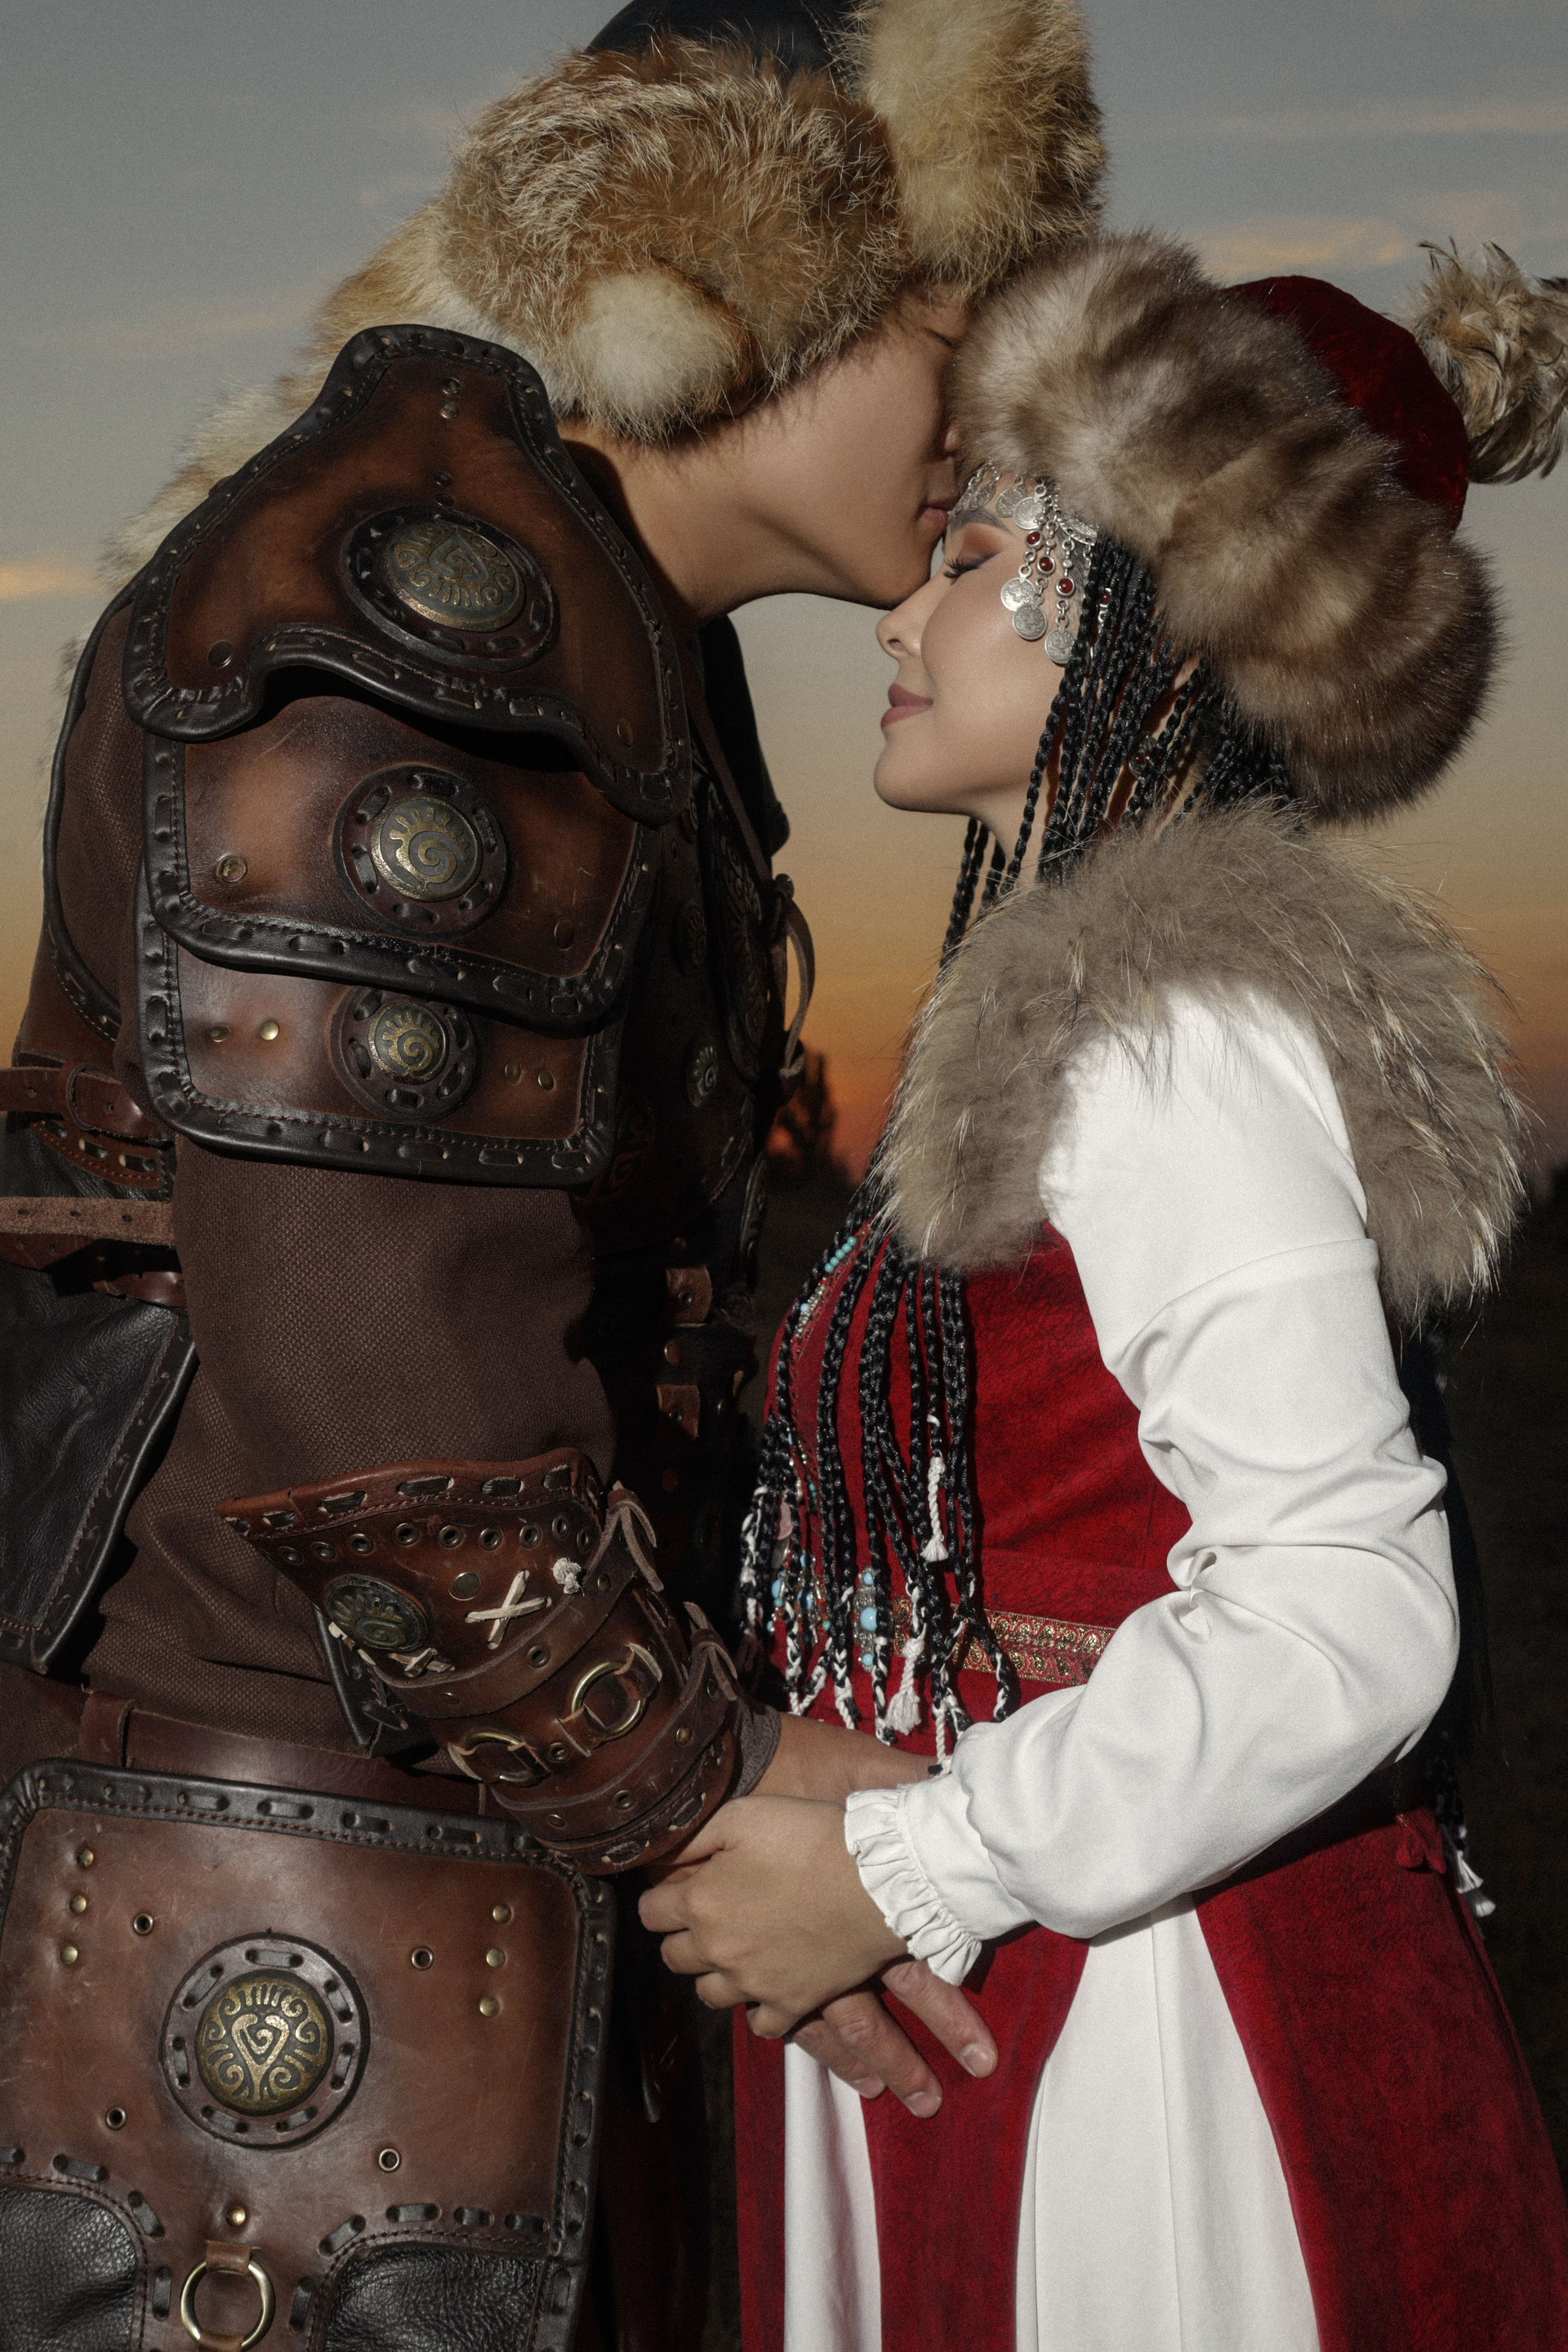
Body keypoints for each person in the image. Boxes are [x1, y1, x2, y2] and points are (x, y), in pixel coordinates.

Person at [0, 4, 1102, 2345]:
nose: (1009, 410)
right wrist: (723, 1783)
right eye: (969, 318)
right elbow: (378, 1382)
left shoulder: (605, 636)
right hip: (272, 1892)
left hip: (432, 1852)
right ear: (746, 269)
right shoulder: (409, 635)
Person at [639, 232, 1568, 2348]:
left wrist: (910, 1867)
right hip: (1035, 1942)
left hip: (1142, 2015)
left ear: (1144, 609)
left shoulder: (1174, 1021)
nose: (899, 614)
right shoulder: (1084, 1022)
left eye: (968, 558)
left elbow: (1344, 1607)